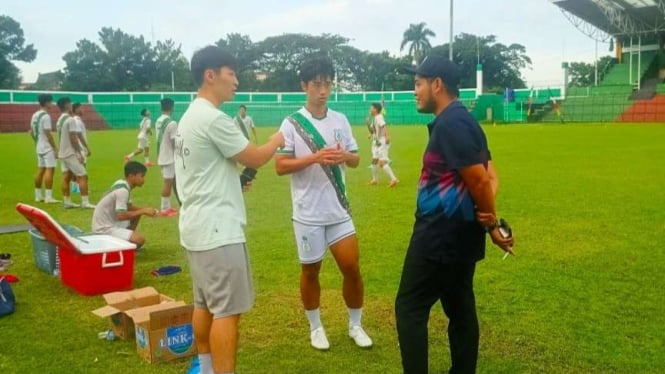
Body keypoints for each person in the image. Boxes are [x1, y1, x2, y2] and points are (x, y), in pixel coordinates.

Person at [394, 55, 515, 374]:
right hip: (459, 238)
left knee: (410, 308)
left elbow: (480, 179)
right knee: (460, 308)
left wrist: (491, 222)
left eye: (418, 83)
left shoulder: (452, 123)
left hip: (438, 238)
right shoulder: (463, 120)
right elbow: (490, 176)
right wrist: (489, 223)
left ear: (437, 85)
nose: (414, 91)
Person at [174, 45, 284, 374]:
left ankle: (205, 368)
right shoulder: (213, 118)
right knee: (226, 310)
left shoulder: (189, 116)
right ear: (211, 76)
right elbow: (256, 156)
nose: (236, 81)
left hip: (197, 227)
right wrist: (279, 138)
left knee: (204, 303)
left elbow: (204, 171)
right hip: (218, 231)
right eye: (231, 73)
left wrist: (233, 183)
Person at [275, 55, 373, 351]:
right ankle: (315, 327)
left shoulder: (340, 120)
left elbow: (356, 160)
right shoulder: (291, 123)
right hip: (308, 213)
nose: (323, 90)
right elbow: (280, 166)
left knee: (352, 267)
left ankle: (355, 324)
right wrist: (315, 157)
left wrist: (346, 157)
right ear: (304, 85)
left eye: (328, 83)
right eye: (317, 84)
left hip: (338, 210)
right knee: (310, 271)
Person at [92, 161, 157, 248]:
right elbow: (121, 216)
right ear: (131, 176)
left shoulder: (122, 183)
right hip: (104, 229)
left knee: (137, 213)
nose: (144, 179)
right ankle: (124, 244)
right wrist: (143, 211)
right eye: (142, 176)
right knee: (139, 240)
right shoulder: (123, 191)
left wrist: (144, 210)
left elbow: (129, 207)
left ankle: (124, 240)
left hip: (108, 222)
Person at [56, 97, 94, 209]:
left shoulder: (60, 119)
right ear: (67, 105)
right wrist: (79, 153)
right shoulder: (70, 120)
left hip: (62, 152)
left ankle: (67, 201)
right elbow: (73, 137)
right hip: (70, 152)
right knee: (82, 175)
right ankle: (85, 202)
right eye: (70, 104)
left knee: (66, 177)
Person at [29, 93, 60, 203]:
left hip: (39, 146)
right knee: (50, 170)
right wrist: (55, 148)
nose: (52, 104)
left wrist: (37, 142)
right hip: (47, 147)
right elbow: (48, 133)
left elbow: (31, 132)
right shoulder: (46, 116)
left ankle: (38, 196)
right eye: (51, 102)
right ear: (46, 103)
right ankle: (48, 197)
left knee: (40, 169)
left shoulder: (35, 115)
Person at [154, 98, 178, 217]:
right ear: (172, 108)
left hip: (161, 155)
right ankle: (164, 209)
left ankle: (167, 206)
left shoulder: (158, 120)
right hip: (169, 156)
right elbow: (174, 142)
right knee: (168, 183)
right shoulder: (172, 123)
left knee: (170, 181)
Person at [367, 102, 399, 187]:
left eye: (371, 108)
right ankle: (375, 180)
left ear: (375, 110)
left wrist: (387, 136)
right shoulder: (374, 118)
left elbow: (384, 126)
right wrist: (368, 128)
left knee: (382, 162)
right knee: (374, 161)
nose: (370, 109)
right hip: (376, 142)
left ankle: (394, 179)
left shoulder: (379, 117)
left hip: (382, 141)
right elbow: (373, 131)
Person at [71, 102, 91, 194]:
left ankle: (75, 187)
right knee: (82, 168)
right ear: (76, 110)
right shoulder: (77, 121)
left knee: (77, 168)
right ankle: (79, 187)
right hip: (79, 147)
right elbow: (79, 135)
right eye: (81, 108)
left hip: (77, 147)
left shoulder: (75, 120)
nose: (83, 110)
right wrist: (87, 147)